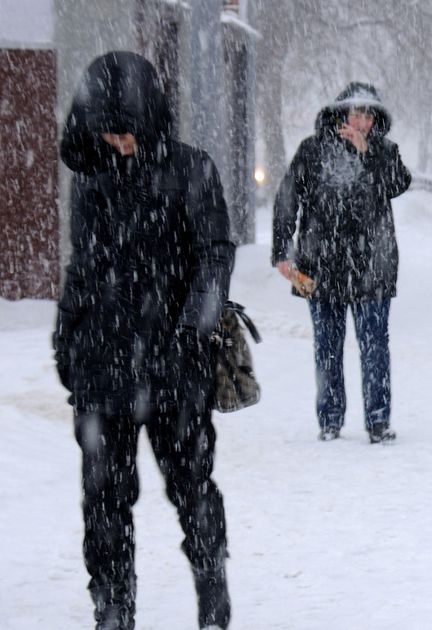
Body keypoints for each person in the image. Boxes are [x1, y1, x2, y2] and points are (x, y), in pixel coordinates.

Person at [54, 51, 235, 630]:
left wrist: (195, 325)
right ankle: (112, 605)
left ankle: (211, 584)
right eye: (107, 132)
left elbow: (214, 253)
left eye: (127, 130)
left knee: (190, 483)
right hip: (102, 361)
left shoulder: (191, 169)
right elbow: (83, 266)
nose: (118, 141)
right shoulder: (92, 181)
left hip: (174, 361)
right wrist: (68, 336)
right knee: (103, 497)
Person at [272, 82, 411, 443]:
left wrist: (368, 154)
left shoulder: (385, 151)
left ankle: (378, 421)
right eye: (356, 113)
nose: (362, 121)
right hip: (318, 264)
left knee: (375, 346)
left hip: (373, 265)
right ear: (341, 114)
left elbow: (398, 184)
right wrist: (281, 251)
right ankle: (330, 418)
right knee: (326, 346)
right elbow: (287, 197)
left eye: (368, 115)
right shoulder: (312, 150)